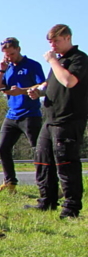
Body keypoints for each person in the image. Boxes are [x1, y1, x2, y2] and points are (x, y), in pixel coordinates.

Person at [26, 24, 88, 218]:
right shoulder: (59, 62)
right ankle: (47, 201)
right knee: (42, 160)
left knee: (66, 162)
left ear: (68, 38)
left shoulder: (79, 59)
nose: (52, 46)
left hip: (69, 119)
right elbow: (53, 83)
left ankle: (71, 208)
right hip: (50, 119)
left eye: (56, 41)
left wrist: (53, 62)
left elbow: (69, 81)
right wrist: (39, 91)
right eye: (50, 42)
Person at [0, 37, 45, 192]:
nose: (10, 58)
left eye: (12, 54)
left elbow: (42, 85)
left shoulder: (33, 65)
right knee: (3, 148)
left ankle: (47, 183)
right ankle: (10, 182)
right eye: (7, 55)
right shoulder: (7, 68)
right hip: (12, 115)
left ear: (19, 49)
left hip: (30, 114)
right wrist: (1, 70)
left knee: (39, 149)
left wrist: (21, 91)